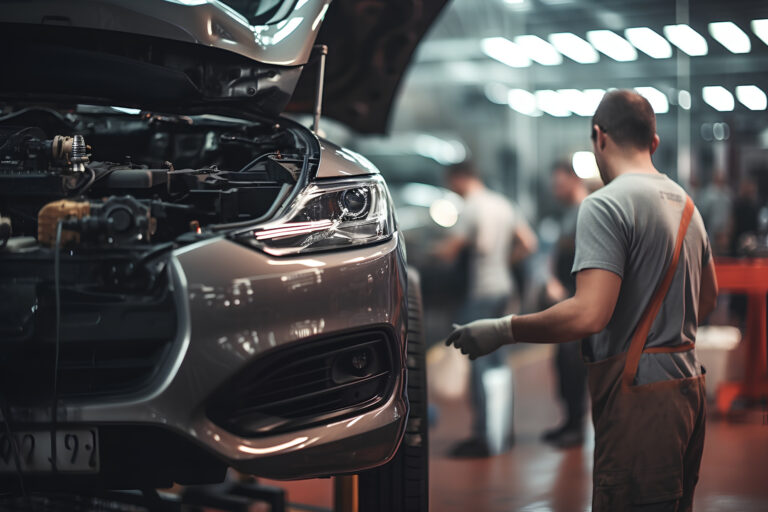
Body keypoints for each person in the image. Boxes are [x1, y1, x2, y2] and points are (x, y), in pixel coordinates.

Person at [447, 90, 718, 511]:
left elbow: (588, 314)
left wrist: (501, 330)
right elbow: (707, 301)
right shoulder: (687, 206)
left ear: (598, 137)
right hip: (687, 394)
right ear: (655, 142)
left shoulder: (605, 204)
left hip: (638, 399)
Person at [435, 160, 538, 457]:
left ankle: (483, 436)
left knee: (478, 360)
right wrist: (505, 262)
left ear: (460, 178)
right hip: (504, 289)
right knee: (498, 360)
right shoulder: (503, 204)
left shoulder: (472, 207)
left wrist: (427, 250)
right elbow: (528, 243)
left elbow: (451, 249)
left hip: (481, 291)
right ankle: (503, 430)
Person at [541, 161, 589, 448]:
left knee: (573, 363)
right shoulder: (568, 213)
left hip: (577, 297)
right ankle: (569, 422)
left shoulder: (585, 210)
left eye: (559, 183)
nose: (554, 190)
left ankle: (577, 426)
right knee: (563, 363)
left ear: (573, 179)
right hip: (566, 295)